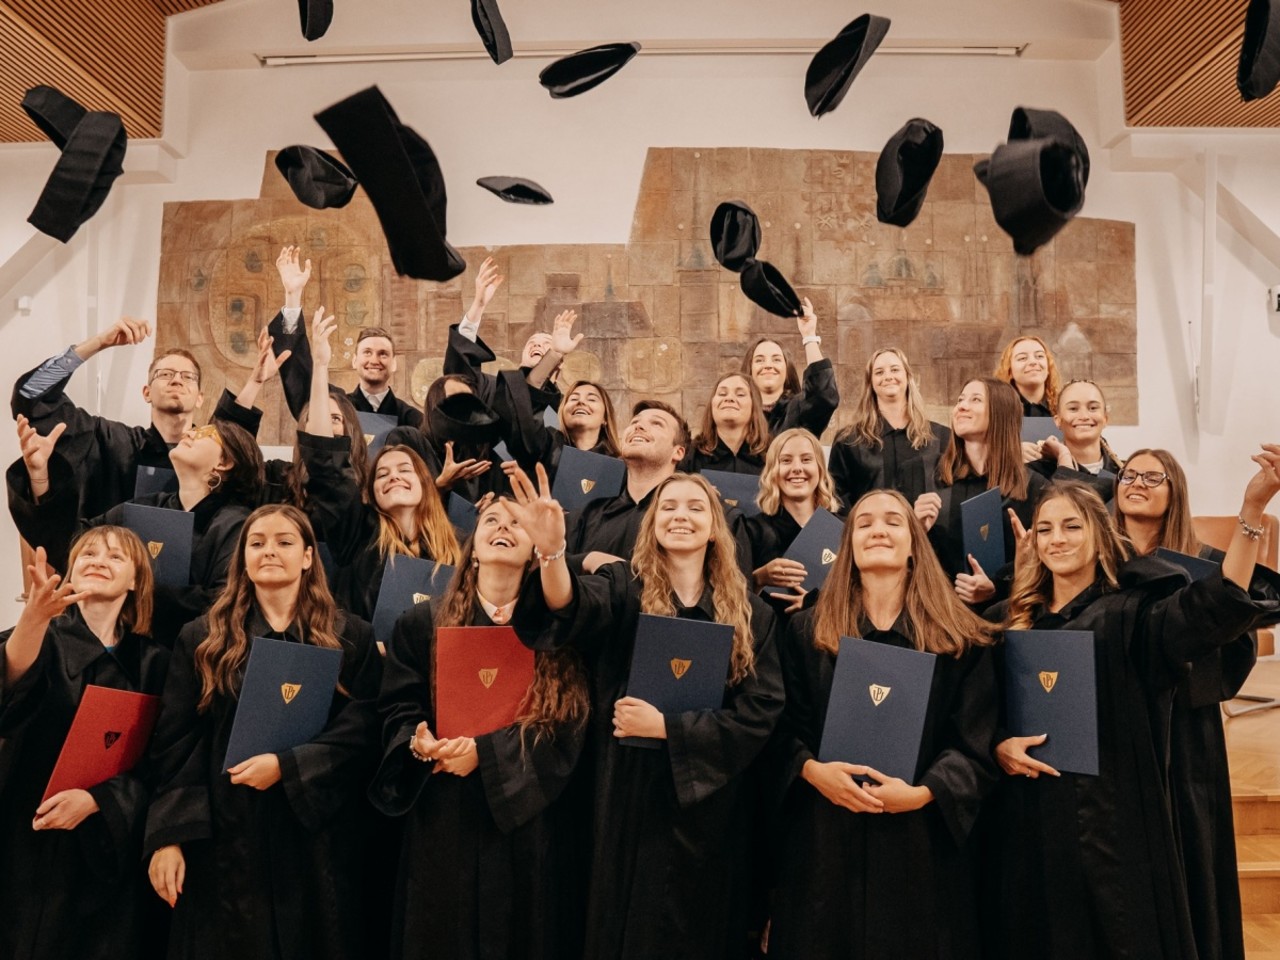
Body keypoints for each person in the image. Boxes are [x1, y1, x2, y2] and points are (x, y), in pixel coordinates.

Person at [985, 459, 1280, 960]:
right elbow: (975, 715)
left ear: (1100, 536)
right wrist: (998, 745)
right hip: (1031, 823)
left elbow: (1210, 609)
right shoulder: (1009, 621)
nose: (1057, 539)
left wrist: (1252, 510)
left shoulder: (1133, 614)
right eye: (1045, 529)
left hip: (1113, 826)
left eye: (1072, 526)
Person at [508, 467, 785, 960]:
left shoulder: (751, 613)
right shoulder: (624, 587)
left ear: (715, 528)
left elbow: (760, 710)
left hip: (711, 807)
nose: (680, 516)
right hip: (625, 794)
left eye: (695, 507)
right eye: (668, 507)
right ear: (651, 523)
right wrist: (552, 553)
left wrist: (669, 729)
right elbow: (570, 605)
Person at [144, 504, 382, 960]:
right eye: (256, 543)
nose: (269, 550)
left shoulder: (350, 636)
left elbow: (365, 728)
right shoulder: (203, 638)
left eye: (284, 541)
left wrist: (289, 767)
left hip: (317, 838)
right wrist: (169, 837)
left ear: (308, 557)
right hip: (227, 836)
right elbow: (176, 743)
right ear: (243, 558)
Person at [768, 490, 999, 959]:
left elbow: (974, 740)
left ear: (915, 544)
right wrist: (813, 771)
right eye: (865, 522)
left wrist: (924, 792)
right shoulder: (806, 632)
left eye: (893, 521)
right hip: (825, 839)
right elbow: (781, 728)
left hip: (921, 844)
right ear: (848, 545)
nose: (878, 530)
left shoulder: (960, 637)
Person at [370, 497, 591, 960]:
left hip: (526, 817)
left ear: (535, 552)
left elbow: (566, 724)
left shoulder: (557, 632)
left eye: (517, 523)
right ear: (471, 550)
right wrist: (418, 741)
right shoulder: (422, 624)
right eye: (491, 520)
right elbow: (398, 706)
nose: (503, 528)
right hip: (444, 810)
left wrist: (484, 755)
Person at [1115, 449, 1279, 960]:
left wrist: (1253, 508)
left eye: (1153, 476)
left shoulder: (1203, 564)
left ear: (1175, 491)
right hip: (1116, 727)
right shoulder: (1097, 561)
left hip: (1183, 731)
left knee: (1190, 853)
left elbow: (1234, 620)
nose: (1137, 483)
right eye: (1128, 474)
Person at [0, 528, 166, 960]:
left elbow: (162, 762)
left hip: (106, 850)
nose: (98, 560)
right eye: (88, 553)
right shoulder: (40, 637)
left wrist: (98, 801)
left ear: (136, 580)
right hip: (25, 840)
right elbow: (9, 689)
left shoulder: (153, 662)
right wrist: (33, 619)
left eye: (115, 556)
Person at [8, 414, 262, 645]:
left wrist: (132, 586)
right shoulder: (145, 506)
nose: (188, 433)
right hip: (122, 647)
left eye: (204, 433)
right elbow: (73, 543)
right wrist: (40, 475)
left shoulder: (238, 525)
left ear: (225, 462)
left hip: (191, 656)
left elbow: (224, 601)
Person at [296, 311, 461, 621]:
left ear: (426, 482)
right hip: (365, 647)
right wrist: (319, 366)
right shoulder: (358, 533)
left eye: (405, 470)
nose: (394, 476)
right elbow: (326, 463)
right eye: (382, 474)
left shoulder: (458, 543)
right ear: (370, 492)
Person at [11, 316, 205, 516]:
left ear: (200, 398)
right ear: (146, 393)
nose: (176, 380)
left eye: (188, 376)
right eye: (165, 374)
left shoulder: (215, 456)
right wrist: (100, 342)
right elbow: (30, 394)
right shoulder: (111, 441)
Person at [913, 378, 1055, 605]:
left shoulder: (1035, 487)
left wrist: (997, 587)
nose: (962, 406)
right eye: (960, 400)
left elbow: (1045, 561)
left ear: (1002, 412)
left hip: (1007, 612)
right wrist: (915, 530)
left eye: (975, 400)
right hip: (939, 611)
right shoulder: (925, 476)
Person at [268, 245, 423, 427]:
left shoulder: (413, 420)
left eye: (383, 354)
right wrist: (293, 296)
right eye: (367, 352)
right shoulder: (336, 406)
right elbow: (300, 378)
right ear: (354, 361)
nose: (374, 360)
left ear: (394, 363)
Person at [828, 347, 950, 514]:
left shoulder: (942, 437)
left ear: (908, 377)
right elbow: (836, 501)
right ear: (870, 383)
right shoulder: (848, 440)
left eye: (895, 369)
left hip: (928, 530)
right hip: (870, 529)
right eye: (879, 372)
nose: (888, 376)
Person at [744, 428, 840, 612]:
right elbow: (732, 599)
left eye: (806, 459)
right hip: (771, 627)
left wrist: (814, 601)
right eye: (786, 460)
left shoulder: (843, 529)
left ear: (820, 469)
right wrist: (759, 578)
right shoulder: (751, 530)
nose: (797, 468)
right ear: (772, 471)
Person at [739, 298, 839, 438]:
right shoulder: (738, 412)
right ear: (749, 369)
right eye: (759, 360)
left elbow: (823, 396)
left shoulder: (800, 410)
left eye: (776, 359)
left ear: (787, 371)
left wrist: (809, 336)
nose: (768, 365)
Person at [1025, 379, 1123, 503]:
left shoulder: (1124, 475)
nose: (1084, 416)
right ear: (1058, 420)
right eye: (1073, 409)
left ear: (1105, 419)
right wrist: (1064, 457)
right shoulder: (1034, 473)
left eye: (1093, 408)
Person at [684, 372, 771, 476]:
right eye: (722, 394)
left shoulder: (773, 453)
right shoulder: (691, 455)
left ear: (754, 405)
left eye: (740, 394)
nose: (729, 398)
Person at [993, 334, 1061, 419]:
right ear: (1009, 370)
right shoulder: (994, 410)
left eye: (1039, 356)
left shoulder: (1064, 409)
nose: (1033, 362)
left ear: (1048, 368)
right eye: (1022, 358)